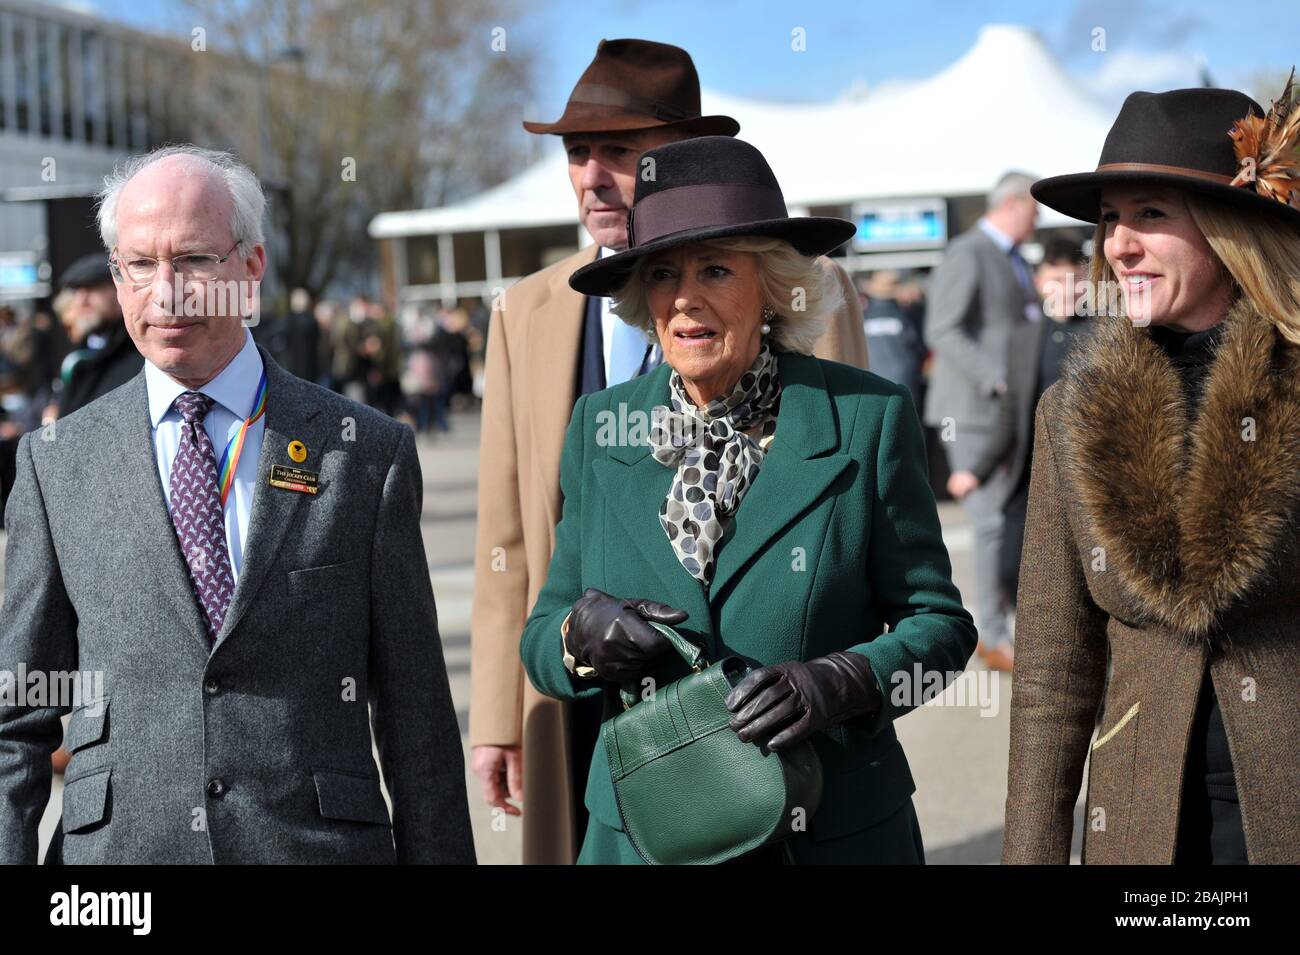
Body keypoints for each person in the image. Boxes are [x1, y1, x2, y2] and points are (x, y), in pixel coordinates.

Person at [0, 144, 474, 864]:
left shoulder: (364, 454)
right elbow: (17, 715)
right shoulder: (55, 463)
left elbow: (418, 718)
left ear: (250, 268)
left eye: (192, 260)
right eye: (137, 265)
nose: (166, 292)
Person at [519, 135, 976, 864]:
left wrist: (844, 679)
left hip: (825, 833)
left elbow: (941, 626)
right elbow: (539, 636)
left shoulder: (866, 419)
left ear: (773, 286)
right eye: (663, 272)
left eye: (716, 269)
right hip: (645, 835)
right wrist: (579, 639)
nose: (685, 297)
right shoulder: (599, 429)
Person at [469, 38, 870, 864]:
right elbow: (506, 536)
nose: (591, 175)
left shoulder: (811, 294)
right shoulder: (529, 309)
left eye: (618, 151)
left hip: (767, 717)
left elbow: (854, 497)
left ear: (682, 159)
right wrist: (497, 717)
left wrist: (838, 679)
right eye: (577, 153)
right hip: (583, 693)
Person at [1003, 84, 1300, 864]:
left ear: (1231, 227)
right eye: (1109, 219)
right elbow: (1051, 677)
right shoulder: (1069, 412)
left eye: (1151, 215)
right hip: (1137, 833)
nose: (1119, 244)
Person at [922, 171, 1040, 673]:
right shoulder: (969, 253)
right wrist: (996, 377)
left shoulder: (1012, 259)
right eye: (1034, 211)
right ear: (1013, 205)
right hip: (971, 413)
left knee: (1011, 520)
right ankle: (993, 638)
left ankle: (1007, 627)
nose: (1038, 222)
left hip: (1004, 411)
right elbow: (942, 328)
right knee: (990, 524)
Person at [994, 238, 1093, 604]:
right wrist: (975, 469)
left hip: (1084, 468)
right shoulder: (1023, 338)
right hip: (1031, 467)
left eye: (1073, 282)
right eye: (1055, 282)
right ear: (1039, 283)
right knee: (1011, 567)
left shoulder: (1104, 332)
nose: (1064, 292)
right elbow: (1010, 411)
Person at [55, 254, 143, 418]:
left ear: (118, 288)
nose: (82, 300)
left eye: (92, 288)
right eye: (76, 291)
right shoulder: (76, 358)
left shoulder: (140, 353)